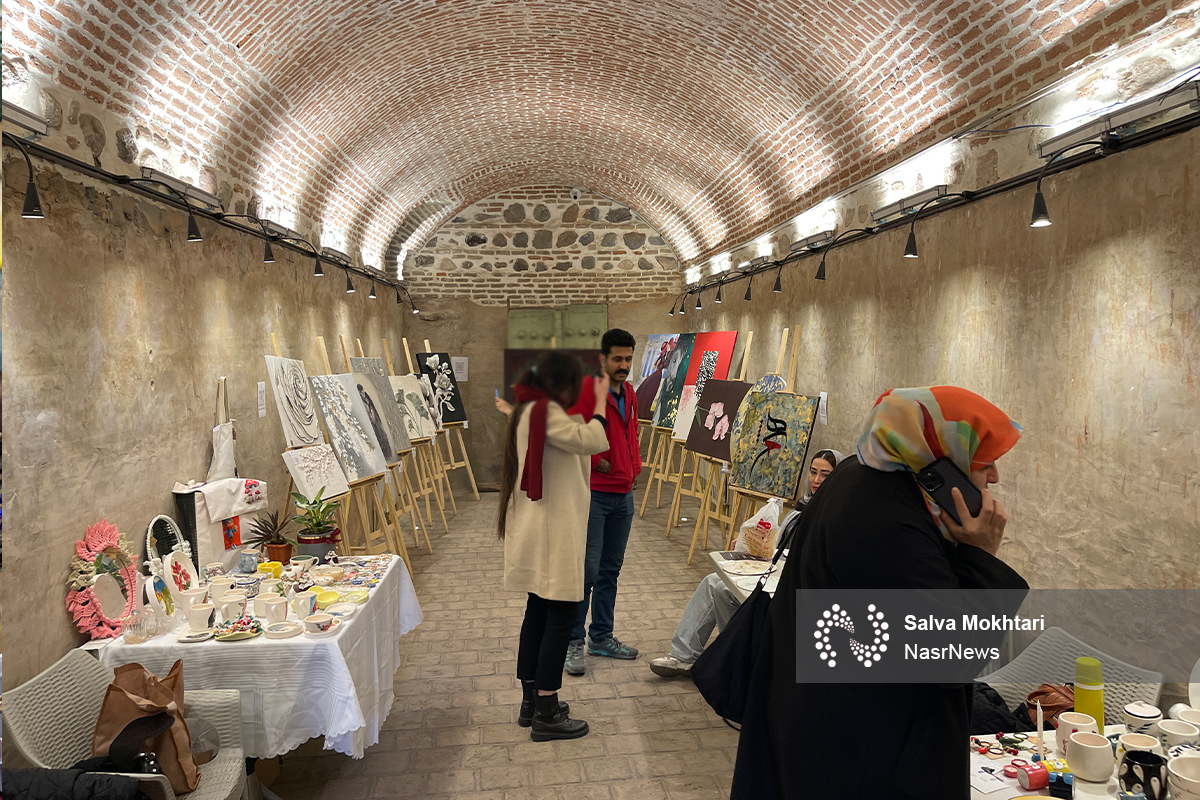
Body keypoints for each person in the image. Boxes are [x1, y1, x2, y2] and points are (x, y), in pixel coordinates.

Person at [730, 387, 1028, 799]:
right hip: (866, 753)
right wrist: (982, 556)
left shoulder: (860, 474)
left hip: (827, 722)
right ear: (943, 458)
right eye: (985, 462)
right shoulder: (889, 521)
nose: (994, 477)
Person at [648, 449, 845, 678]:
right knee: (713, 581)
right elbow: (780, 547)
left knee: (723, 590)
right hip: (775, 573)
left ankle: (735, 661)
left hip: (793, 588)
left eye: (825, 475)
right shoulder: (802, 507)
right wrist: (751, 543)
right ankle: (685, 655)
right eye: (813, 472)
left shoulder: (832, 514)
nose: (816, 480)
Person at [498, 351, 609, 741]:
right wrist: (599, 405)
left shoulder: (531, 409)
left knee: (538, 613)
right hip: (553, 533)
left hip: (540, 529)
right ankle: (546, 710)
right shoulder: (547, 412)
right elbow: (593, 440)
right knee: (560, 616)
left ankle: (531, 702)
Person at [563, 328, 643, 674]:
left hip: (624, 495)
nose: (624, 365)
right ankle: (572, 641)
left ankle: (601, 637)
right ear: (602, 359)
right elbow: (571, 432)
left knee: (611, 570)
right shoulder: (587, 392)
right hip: (595, 494)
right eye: (617, 359)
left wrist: (634, 466)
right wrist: (598, 460)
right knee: (586, 571)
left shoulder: (630, 393)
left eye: (628, 359)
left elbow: (631, 433)